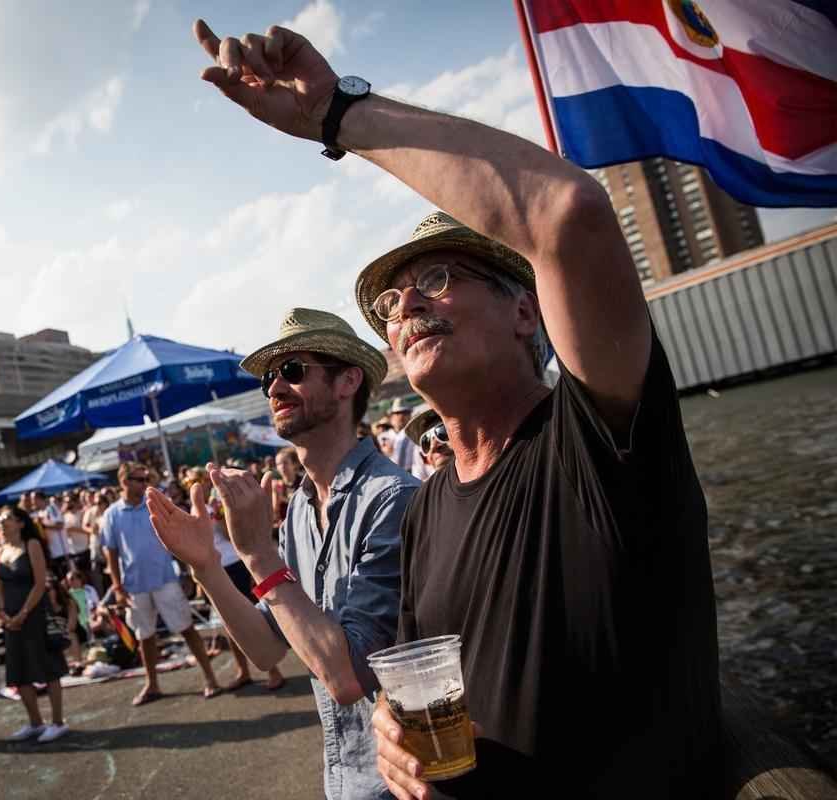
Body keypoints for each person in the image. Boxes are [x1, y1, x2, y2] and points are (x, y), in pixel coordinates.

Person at [186, 17, 723, 797]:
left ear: (525, 313)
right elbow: (404, 683)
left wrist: (336, 115)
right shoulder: (430, 506)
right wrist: (391, 737)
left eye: (437, 278)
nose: (406, 301)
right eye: (393, 302)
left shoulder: (593, 444)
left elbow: (569, 214)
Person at [147, 307, 418, 800]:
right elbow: (269, 647)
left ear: (347, 381)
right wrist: (205, 565)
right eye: (270, 377)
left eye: (292, 371)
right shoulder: (299, 508)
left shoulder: (393, 498)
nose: (273, 388)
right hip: (343, 779)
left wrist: (257, 556)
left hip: (399, 782)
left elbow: (349, 676)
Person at [101, 462, 222, 706]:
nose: (146, 482)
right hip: (134, 585)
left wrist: (189, 571)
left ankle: (210, 679)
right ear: (124, 481)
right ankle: (152, 684)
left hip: (165, 578)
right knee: (144, 636)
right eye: (140, 478)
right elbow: (110, 552)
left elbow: (177, 538)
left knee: (186, 628)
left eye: (147, 477)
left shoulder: (154, 503)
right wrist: (117, 586)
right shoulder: (111, 514)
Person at [190, 467, 286, 692]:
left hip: (235, 563)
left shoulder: (219, 503)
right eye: (190, 482)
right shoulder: (195, 508)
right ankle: (243, 670)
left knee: (250, 614)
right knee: (228, 621)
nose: (196, 485)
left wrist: (219, 515)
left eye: (199, 480)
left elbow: (228, 535)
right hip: (215, 567)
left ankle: (274, 671)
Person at [0, 503, 71, 743]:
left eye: (7, 519)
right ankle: (35, 722)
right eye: (0, 520)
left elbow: (40, 583)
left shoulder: (32, 544)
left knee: (48, 667)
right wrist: (3, 613)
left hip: (34, 613)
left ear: (20, 522)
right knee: (19, 670)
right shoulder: (1, 548)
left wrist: (23, 613)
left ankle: (57, 722)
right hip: (11, 616)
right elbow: (0, 585)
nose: (2, 523)